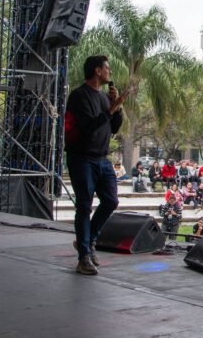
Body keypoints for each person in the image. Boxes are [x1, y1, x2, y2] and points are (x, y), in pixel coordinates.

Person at [65, 55, 129, 275]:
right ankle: (84, 256)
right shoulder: (79, 96)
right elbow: (88, 127)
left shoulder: (103, 97)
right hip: (82, 157)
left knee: (111, 200)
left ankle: (87, 240)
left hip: (102, 158)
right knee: (84, 206)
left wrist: (116, 108)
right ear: (97, 71)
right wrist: (110, 109)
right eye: (107, 68)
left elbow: (114, 128)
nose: (110, 72)